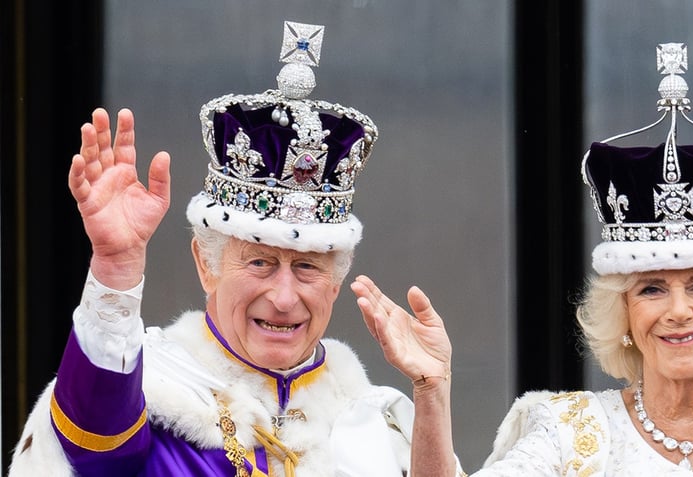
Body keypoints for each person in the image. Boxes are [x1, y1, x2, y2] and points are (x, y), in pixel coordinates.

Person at [351, 45, 693, 476]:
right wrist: (432, 388)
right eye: (651, 288)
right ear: (623, 314)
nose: (678, 310)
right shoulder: (567, 431)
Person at [8, 20, 441, 476]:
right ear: (205, 264)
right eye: (260, 262)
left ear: (335, 286)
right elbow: (93, 441)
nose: (284, 297)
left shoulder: (374, 426)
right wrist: (116, 269)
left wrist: (433, 392)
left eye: (309, 268)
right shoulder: (151, 393)